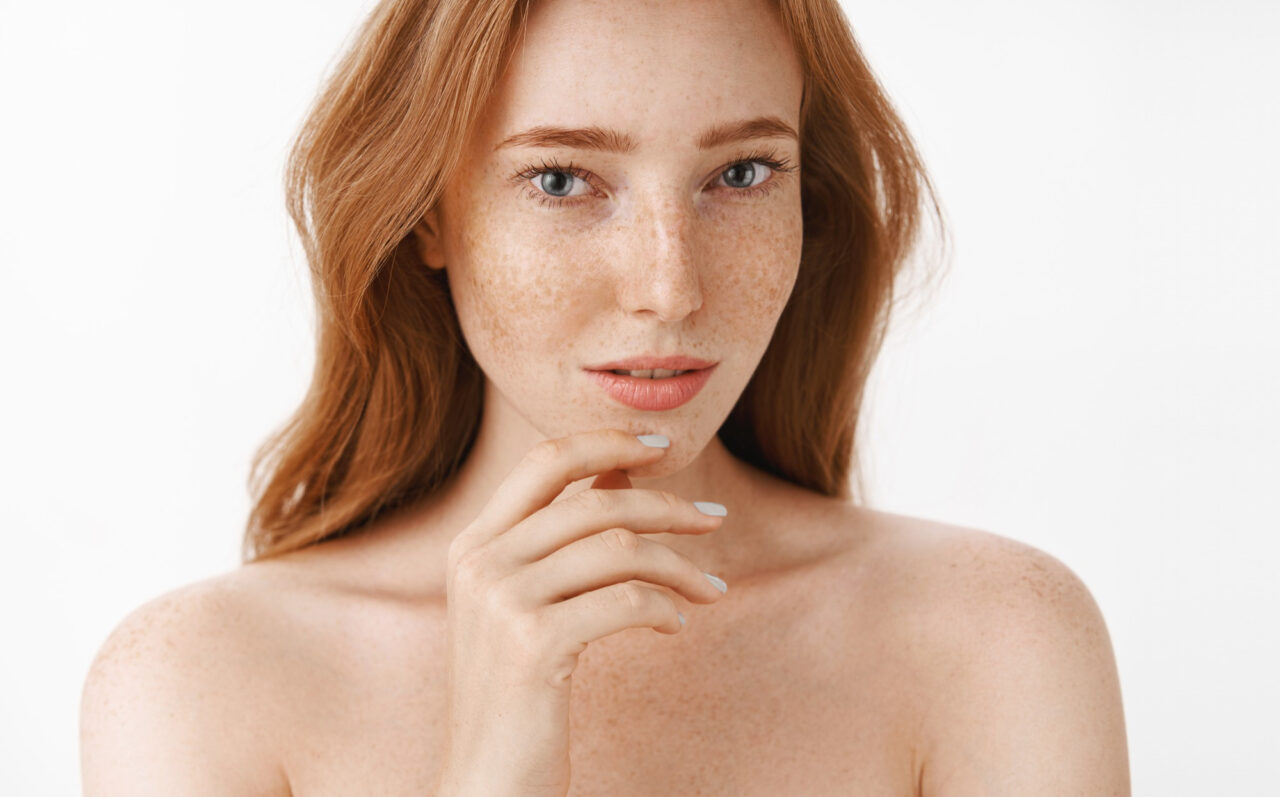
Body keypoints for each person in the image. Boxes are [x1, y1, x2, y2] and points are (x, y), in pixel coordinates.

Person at [79, 0, 1130, 794]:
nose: (669, 286)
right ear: (427, 216)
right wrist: (494, 761)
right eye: (560, 181)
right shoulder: (197, 684)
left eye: (741, 175)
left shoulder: (993, 636)